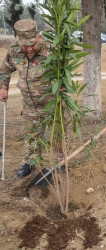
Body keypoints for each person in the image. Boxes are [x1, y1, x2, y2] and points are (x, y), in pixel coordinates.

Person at [0, 19, 53, 177]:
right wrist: (3, 87)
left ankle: (60, 162)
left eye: (32, 44)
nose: (29, 49)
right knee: (31, 136)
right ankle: (31, 162)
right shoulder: (15, 50)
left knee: (56, 134)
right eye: (25, 45)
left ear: (38, 36)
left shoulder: (51, 49)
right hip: (29, 105)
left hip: (51, 105)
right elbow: (4, 69)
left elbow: (64, 72)